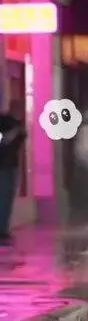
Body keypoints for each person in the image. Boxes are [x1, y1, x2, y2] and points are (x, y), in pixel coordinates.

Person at [0, 103, 26, 244]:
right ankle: (1, 231)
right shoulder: (4, 122)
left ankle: (4, 229)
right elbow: (4, 140)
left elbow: (20, 141)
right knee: (3, 198)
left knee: (8, 198)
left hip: (11, 166)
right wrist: (15, 132)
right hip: (3, 167)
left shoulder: (17, 124)